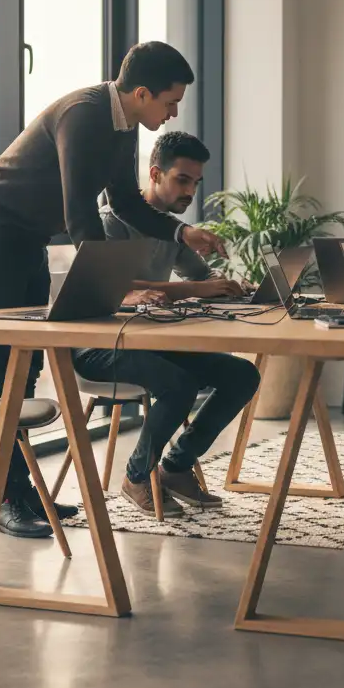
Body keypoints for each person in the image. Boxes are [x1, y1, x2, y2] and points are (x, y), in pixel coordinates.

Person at [0, 42, 225, 538]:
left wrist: (180, 233)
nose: (173, 113)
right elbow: (81, 212)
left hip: (24, 237)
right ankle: (4, 500)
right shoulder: (84, 116)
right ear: (141, 93)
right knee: (3, 368)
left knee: (28, 366)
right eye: (170, 101)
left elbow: (123, 201)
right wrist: (110, 280)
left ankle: (19, 492)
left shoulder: (121, 127)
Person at [74, 130, 260, 517]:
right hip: (100, 346)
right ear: (155, 174)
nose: (190, 191)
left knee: (242, 375)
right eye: (182, 179)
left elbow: (201, 279)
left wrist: (233, 286)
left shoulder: (172, 229)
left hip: (149, 342)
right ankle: (136, 476)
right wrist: (191, 289)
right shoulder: (112, 224)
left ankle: (174, 468)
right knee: (179, 385)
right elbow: (114, 287)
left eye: (195, 182)